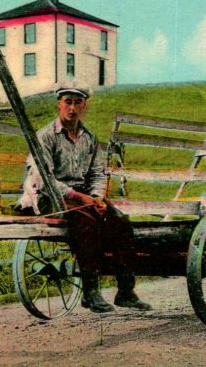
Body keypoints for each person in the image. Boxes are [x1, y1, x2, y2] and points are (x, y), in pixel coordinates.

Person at [25, 86, 152, 313]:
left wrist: (96, 198)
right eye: (67, 102)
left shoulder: (89, 138)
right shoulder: (45, 137)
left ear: (84, 106)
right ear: (59, 104)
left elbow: (97, 173)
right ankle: (90, 293)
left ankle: (125, 292)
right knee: (87, 223)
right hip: (51, 198)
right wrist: (80, 197)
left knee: (120, 221)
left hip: (83, 197)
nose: (72, 108)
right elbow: (43, 179)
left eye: (77, 103)